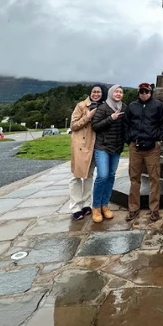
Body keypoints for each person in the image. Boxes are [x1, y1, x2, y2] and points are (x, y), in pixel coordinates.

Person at [125, 82, 163, 222]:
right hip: (135, 147)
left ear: (151, 92)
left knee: (154, 178)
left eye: (147, 91)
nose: (144, 94)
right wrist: (129, 139)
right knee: (134, 178)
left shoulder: (158, 105)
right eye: (142, 92)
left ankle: (154, 209)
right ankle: (133, 208)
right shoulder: (131, 106)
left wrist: (159, 140)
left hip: (152, 148)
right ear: (139, 92)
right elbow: (126, 124)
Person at [69, 83, 105, 220]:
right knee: (76, 176)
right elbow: (73, 125)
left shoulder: (102, 106)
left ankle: (85, 204)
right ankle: (75, 206)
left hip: (94, 145)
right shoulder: (81, 106)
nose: (96, 94)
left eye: (99, 92)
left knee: (89, 176)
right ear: (90, 93)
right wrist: (88, 116)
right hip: (81, 144)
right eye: (94, 91)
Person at [91, 85, 126, 224]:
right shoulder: (103, 108)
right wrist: (111, 118)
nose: (118, 94)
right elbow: (95, 126)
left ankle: (105, 205)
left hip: (116, 147)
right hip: (103, 147)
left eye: (121, 92)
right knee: (102, 175)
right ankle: (96, 207)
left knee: (111, 176)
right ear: (111, 93)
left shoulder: (124, 108)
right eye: (116, 91)